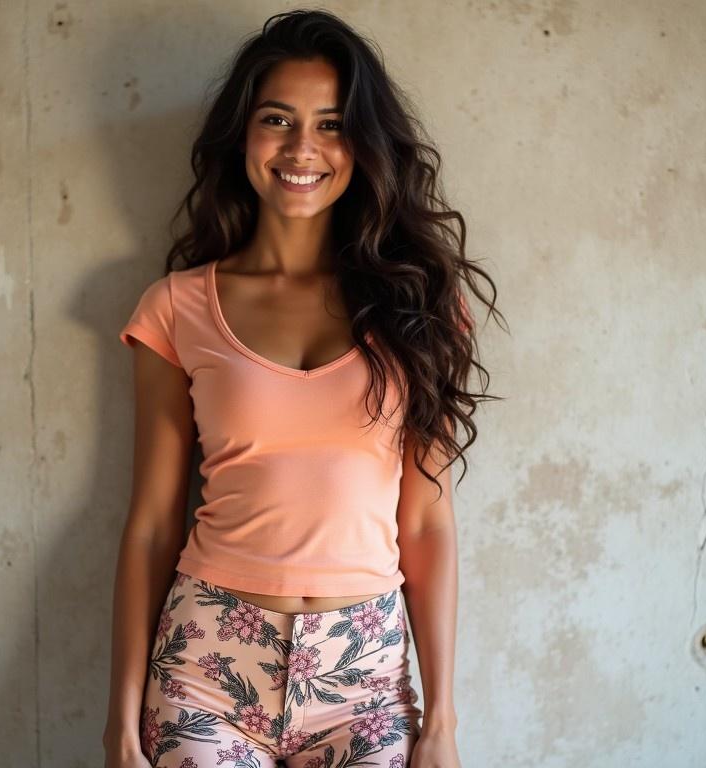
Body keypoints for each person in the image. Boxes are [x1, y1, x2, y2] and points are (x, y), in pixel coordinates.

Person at [103, 9, 502, 768]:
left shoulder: (421, 305)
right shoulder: (176, 307)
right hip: (205, 671)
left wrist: (442, 720)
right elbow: (153, 524)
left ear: (362, 145)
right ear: (242, 137)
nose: (301, 149)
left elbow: (427, 523)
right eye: (277, 119)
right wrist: (119, 725)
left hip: (369, 682)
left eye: (330, 124)